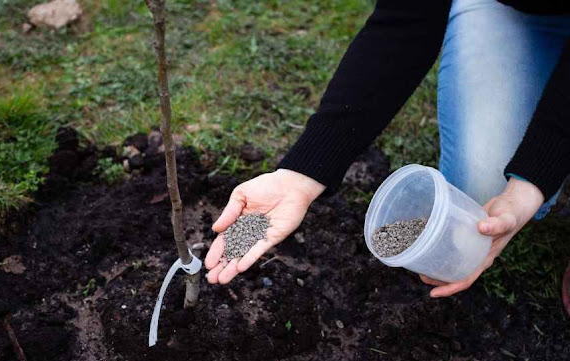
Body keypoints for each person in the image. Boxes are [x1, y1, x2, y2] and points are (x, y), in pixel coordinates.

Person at [205, 0, 570, 297]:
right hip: (513, 11)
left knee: (514, 191)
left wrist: (531, 181)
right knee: (482, 198)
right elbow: (405, 21)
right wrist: (303, 174)